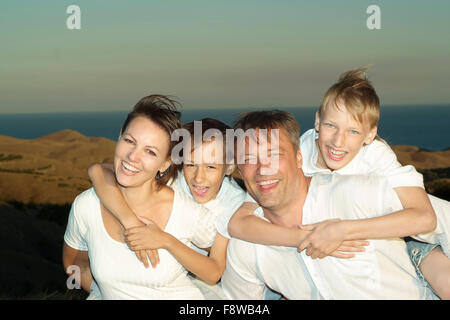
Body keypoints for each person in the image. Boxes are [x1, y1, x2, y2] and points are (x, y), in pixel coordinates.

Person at [227, 68, 450, 299]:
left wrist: (342, 230)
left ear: (370, 135)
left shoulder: (374, 158)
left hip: (418, 240)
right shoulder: (302, 150)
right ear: (317, 121)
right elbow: (239, 223)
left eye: (353, 131)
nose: (337, 141)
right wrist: (306, 238)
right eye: (330, 126)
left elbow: (427, 218)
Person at [63, 95, 217, 299]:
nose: (133, 156)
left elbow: (217, 269)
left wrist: (167, 241)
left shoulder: (185, 210)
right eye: (129, 141)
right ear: (119, 137)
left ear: (165, 164)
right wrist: (101, 290)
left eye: (150, 152)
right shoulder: (87, 204)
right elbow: (74, 260)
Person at [87, 118, 247, 298]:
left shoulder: (233, 204)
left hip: (193, 277)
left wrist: (166, 240)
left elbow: (213, 273)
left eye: (211, 166)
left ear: (230, 166)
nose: (198, 178)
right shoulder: (173, 179)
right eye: (191, 164)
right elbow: (98, 171)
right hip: (154, 270)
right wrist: (131, 223)